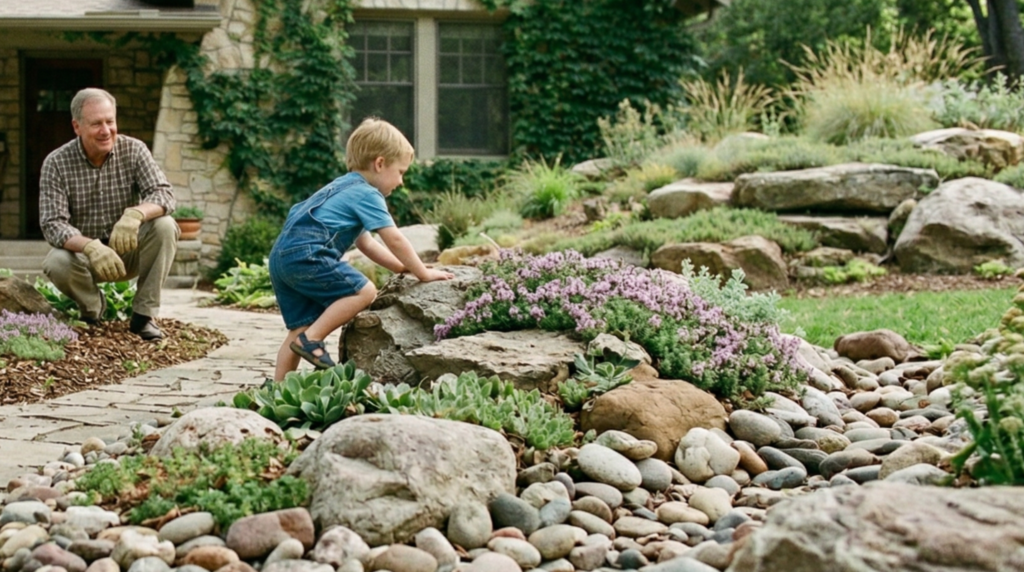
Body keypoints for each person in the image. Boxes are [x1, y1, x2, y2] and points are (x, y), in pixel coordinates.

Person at [269, 118, 454, 380]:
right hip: (306, 254)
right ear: (380, 164)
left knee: (299, 328)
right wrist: (422, 272)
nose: (401, 181)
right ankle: (312, 341)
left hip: (281, 258)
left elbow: (365, 243)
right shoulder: (367, 194)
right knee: (364, 291)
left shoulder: (341, 187)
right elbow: (394, 239)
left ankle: (278, 390)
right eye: (400, 172)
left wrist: (402, 267)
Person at [39, 88, 178, 341]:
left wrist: (135, 214)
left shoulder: (134, 150)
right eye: (96, 124)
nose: (106, 130)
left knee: (165, 225)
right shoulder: (56, 163)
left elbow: (164, 195)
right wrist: (90, 246)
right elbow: (53, 224)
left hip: (129, 250)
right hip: (86, 260)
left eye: (110, 121)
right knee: (56, 260)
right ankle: (93, 311)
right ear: (77, 126)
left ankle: (143, 316)